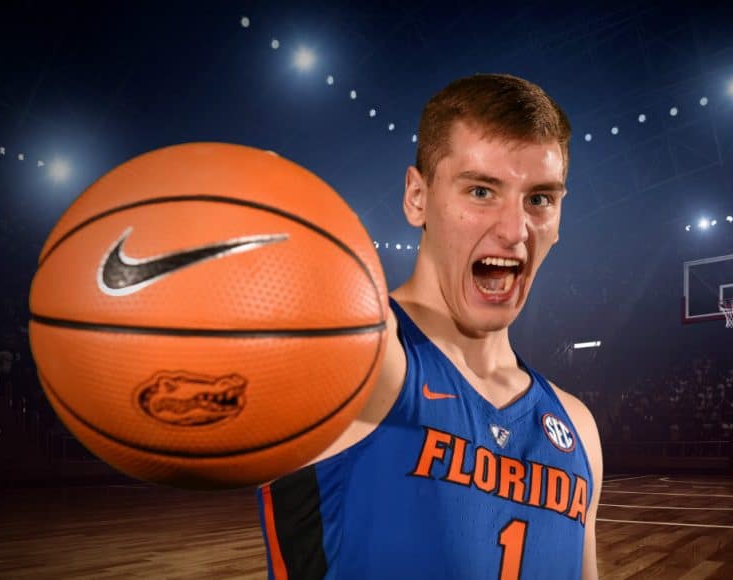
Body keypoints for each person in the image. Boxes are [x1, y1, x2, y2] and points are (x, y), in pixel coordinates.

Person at [257, 73, 603, 579]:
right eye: (482, 190)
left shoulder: (578, 430)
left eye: (539, 199)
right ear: (417, 197)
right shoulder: (350, 363)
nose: (514, 230)